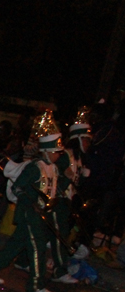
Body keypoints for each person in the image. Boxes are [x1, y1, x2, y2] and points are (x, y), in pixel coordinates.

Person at [0, 112, 62, 292]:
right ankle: (35, 285)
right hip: (29, 214)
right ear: (47, 151)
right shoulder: (34, 167)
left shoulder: (53, 169)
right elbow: (18, 188)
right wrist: (30, 200)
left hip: (40, 214)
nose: (57, 156)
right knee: (38, 247)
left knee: (15, 246)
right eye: (55, 152)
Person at [48, 107, 93, 282]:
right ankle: (59, 271)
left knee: (52, 235)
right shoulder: (66, 155)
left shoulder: (78, 158)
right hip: (59, 200)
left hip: (67, 201)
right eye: (86, 140)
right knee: (61, 236)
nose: (88, 144)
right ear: (78, 139)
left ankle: (23, 261)